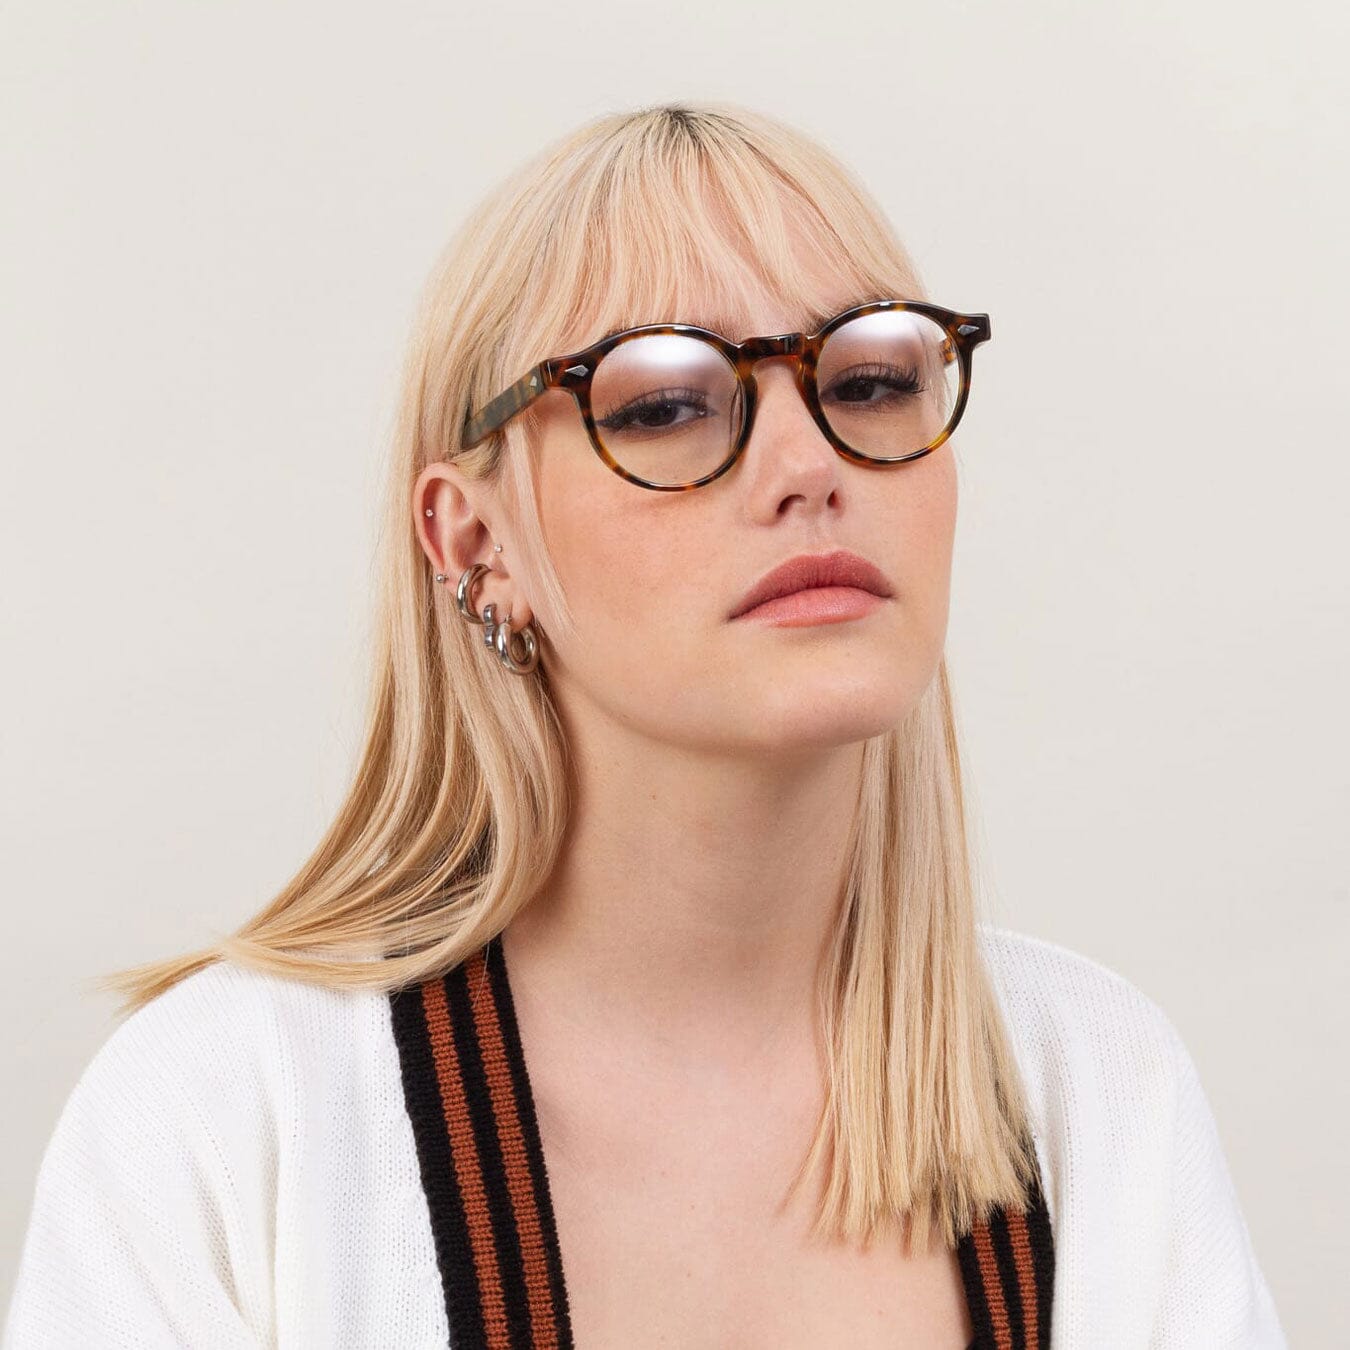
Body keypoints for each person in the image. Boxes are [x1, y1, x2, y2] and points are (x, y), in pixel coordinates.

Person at [4, 101, 1285, 1349]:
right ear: (475, 543)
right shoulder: (230, 1113)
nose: (810, 466)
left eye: (872, 379)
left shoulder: (1093, 1086)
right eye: (665, 403)